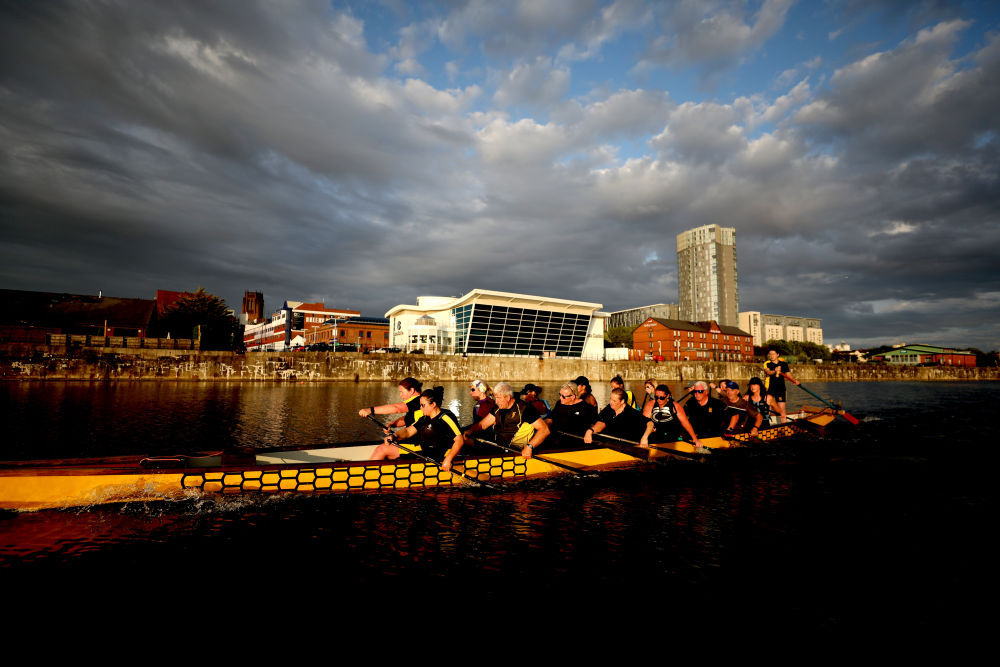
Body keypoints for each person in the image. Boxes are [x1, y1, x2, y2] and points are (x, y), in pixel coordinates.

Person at [371, 387, 464, 470]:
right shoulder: (425, 418)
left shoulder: (446, 417)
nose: (420, 408)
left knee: (387, 452)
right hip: (427, 452)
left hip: (443, 454)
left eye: (423, 405)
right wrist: (394, 436)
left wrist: (448, 459)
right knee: (386, 452)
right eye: (420, 405)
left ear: (433, 404)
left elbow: (459, 440)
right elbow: (408, 431)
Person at [463, 382, 549, 458]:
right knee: (463, 441)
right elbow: (483, 425)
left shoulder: (526, 409)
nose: (496, 401)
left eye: (498, 398)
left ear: (508, 397)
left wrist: (530, 447)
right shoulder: (497, 408)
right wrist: (470, 430)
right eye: (495, 398)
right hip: (497, 446)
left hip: (516, 451)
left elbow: (544, 430)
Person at [642, 384, 704, 449]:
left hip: (672, 436)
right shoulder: (650, 405)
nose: (659, 400)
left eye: (662, 398)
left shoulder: (675, 406)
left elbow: (685, 423)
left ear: (667, 396)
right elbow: (645, 422)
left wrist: (695, 439)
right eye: (656, 397)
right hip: (656, 435)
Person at [584, 388, 654, 445]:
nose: (611, 402)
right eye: (610, 399)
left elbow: (650, 423)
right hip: (608, 443)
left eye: (614, 401)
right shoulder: (609, 408)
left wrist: (645, 437)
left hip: (627, 446)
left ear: (622, 401)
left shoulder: (632, 413)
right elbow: (601, 422)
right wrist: (590, 431)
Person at [358, 377, 423, 427]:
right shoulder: (415, 404)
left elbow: (397, 408)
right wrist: (391, 425)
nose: (400, 395)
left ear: (411, 390)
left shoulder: (419, 400)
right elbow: (407, 419)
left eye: (402, 392)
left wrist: (370, 410)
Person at [764, 350, 801, 423]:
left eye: (773, 354)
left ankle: (784, 426)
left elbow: (788, 374)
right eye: (770, 354)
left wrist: (794, 381)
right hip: (770, 389)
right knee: (767, 409)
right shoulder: (767, 364)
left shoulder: (784, 364)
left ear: (777, 354)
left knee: (782, 410)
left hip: (780, 389)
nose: (771, 356)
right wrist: (775, 371)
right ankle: (765, 425)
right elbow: (768, 372)